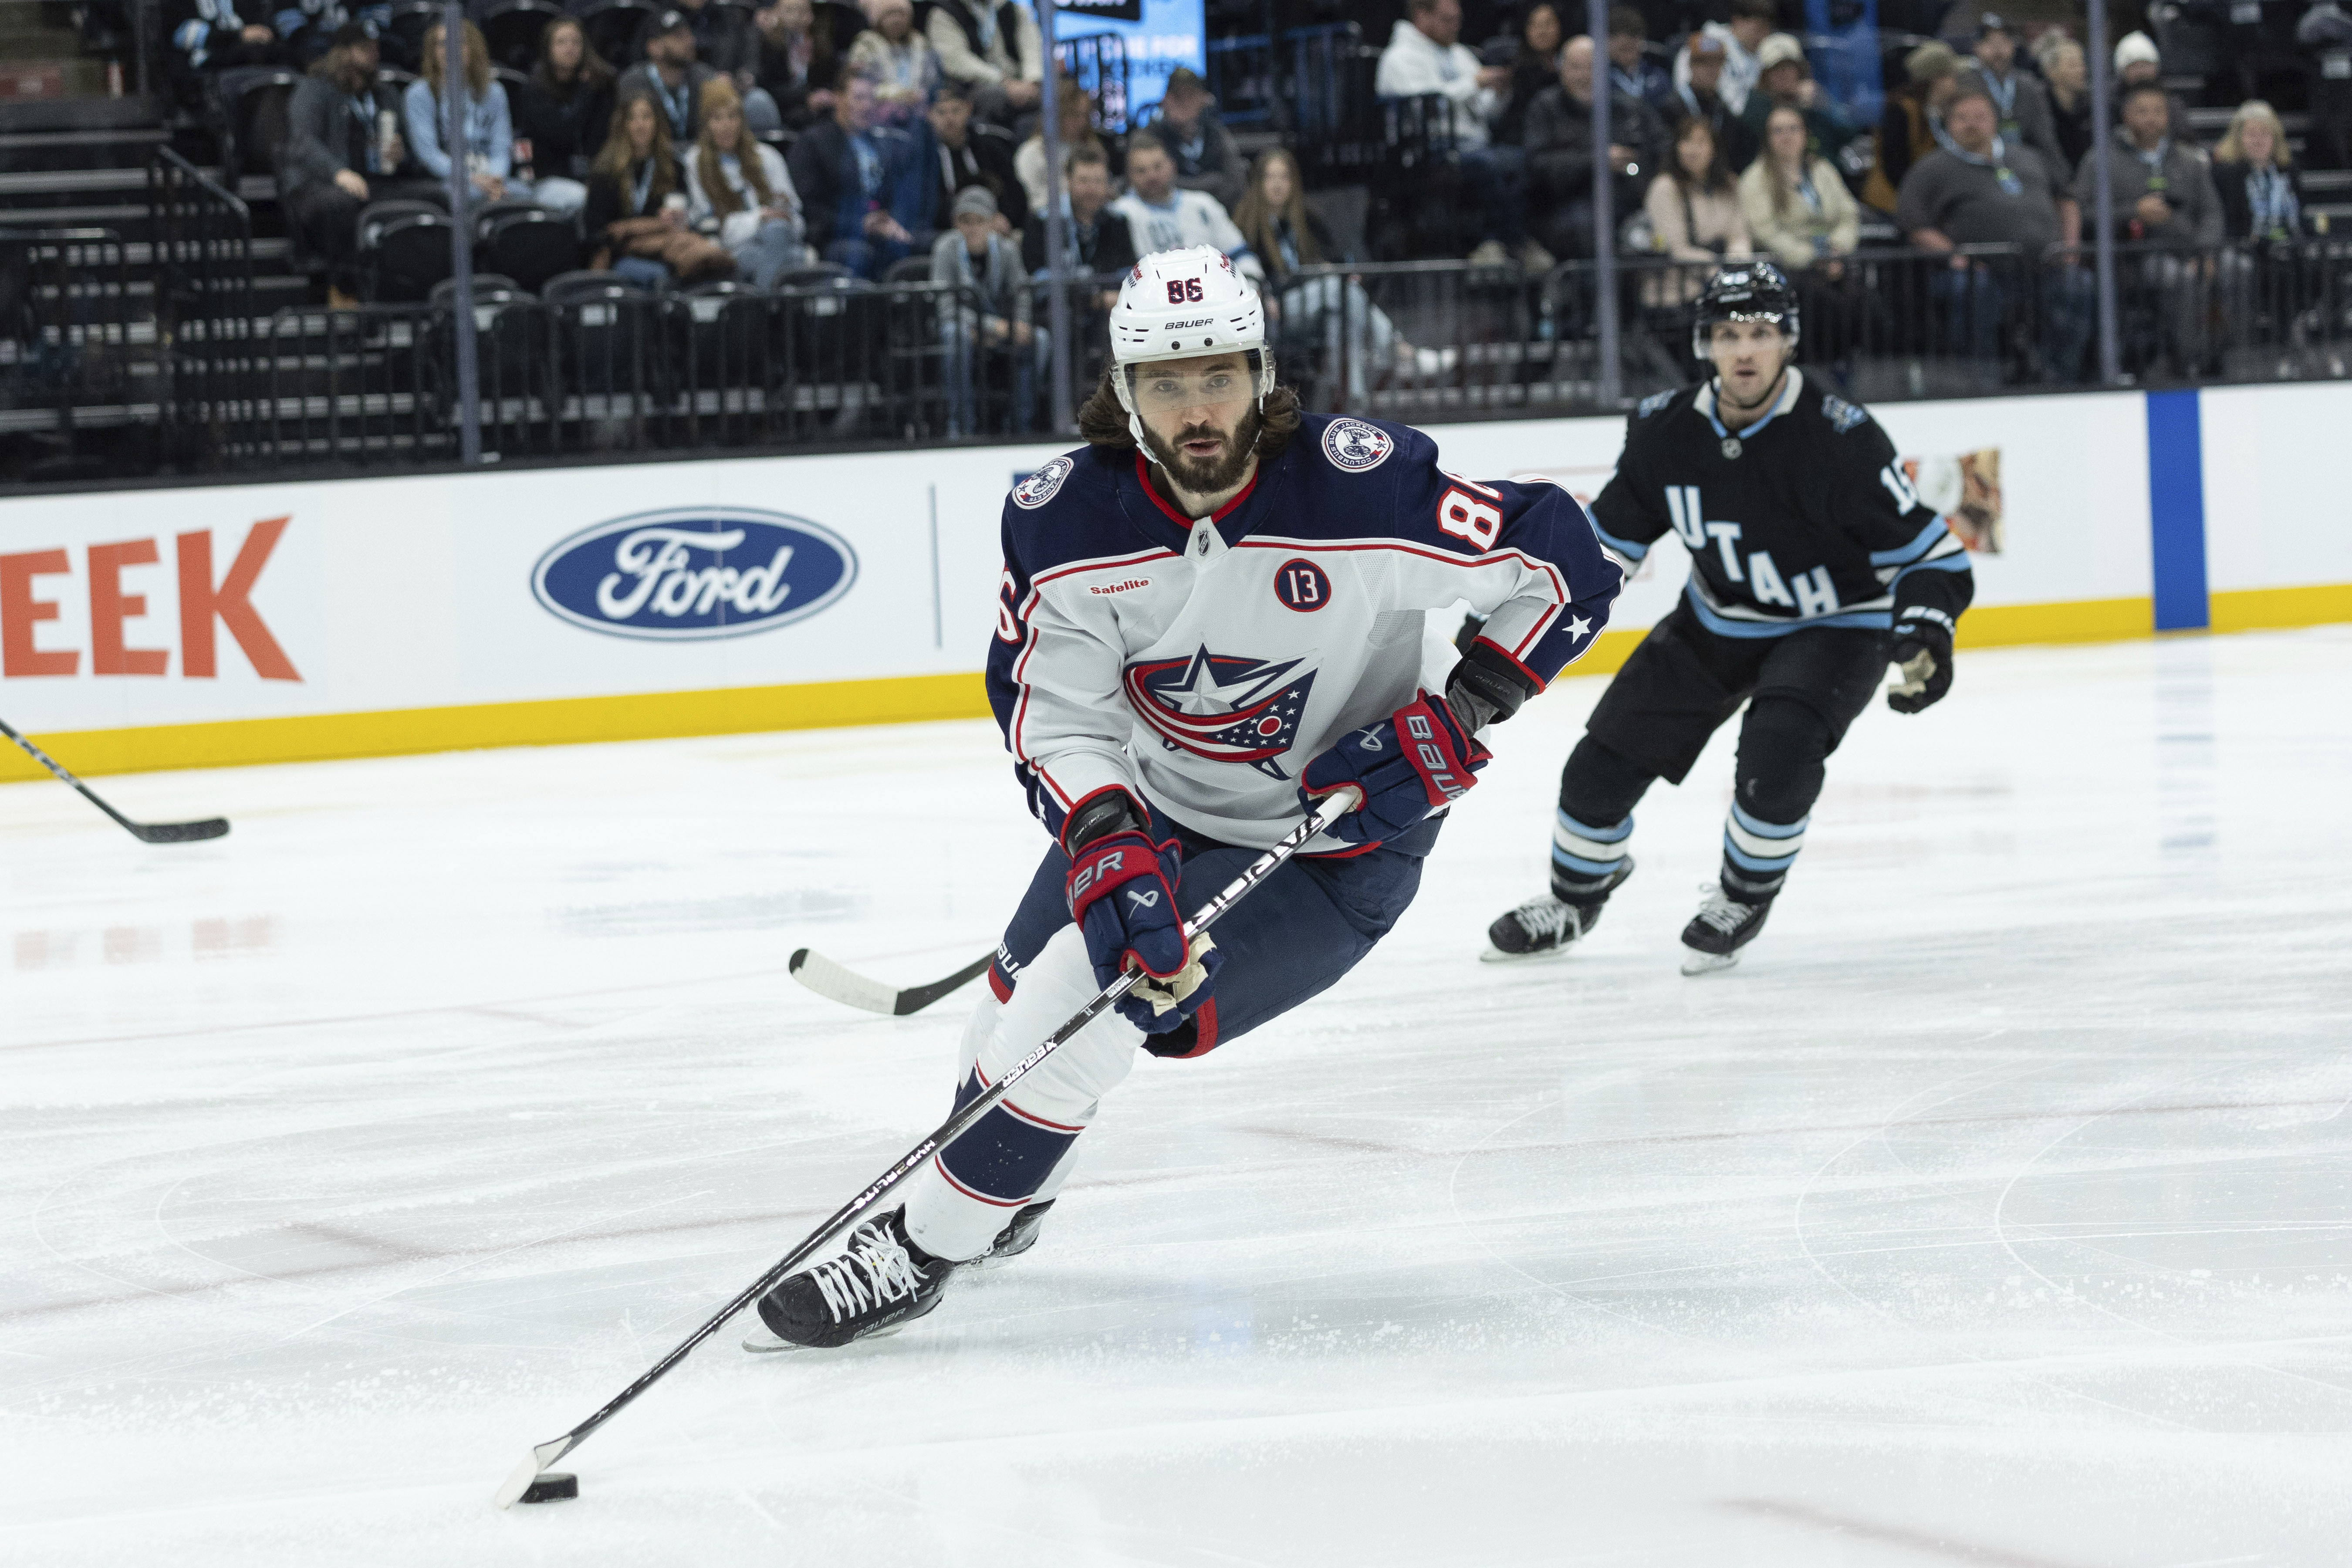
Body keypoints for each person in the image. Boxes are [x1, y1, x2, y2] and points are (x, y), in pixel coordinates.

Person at [740, 243, 1622, 1352]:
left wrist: (1468, 703)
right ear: (1122, 392)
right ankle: (1001, 1194)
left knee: (1088, 988)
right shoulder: (1063, 520)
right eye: (1165, 383)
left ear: (1262, 373)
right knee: (1008, 1006)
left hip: (1329, 850)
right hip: (1155, 808)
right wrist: (1105, 827)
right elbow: (1050, 710)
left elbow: (1567, 560)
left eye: (1218, 376)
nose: (1196, 408)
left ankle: (921, 1251)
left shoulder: (1367, 486)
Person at [1485, 263, 1972, 974]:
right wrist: (1509, 621)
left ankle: (1743, 894)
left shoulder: (1842, 438)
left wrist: (1927, 625)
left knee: (1777, 750)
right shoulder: (1663, 431)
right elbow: (1602, 552)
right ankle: (1574, 897)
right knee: (1598, 767)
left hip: (1838, 626)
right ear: (1704, 345)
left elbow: (1938, 559)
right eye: (1728, 334)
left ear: (1790, 342)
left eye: (1763, 333)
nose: (1745, 351)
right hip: (1715, 622)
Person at [1896, 84, 2092, 383]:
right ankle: (1981, 380)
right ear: (1949, 124)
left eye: (1980, 116)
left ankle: (2062, 377)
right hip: (1979, 271)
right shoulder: (1932, 169)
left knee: (2078, 285)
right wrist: (1955, 256)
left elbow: (2066, 200)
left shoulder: (2028, 157)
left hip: (2044, 266)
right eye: (1962, 118)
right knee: (1971, 291)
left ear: (1994, 120)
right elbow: (1914, 223)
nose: (1972, 124)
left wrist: (2070, 245)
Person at [1232, 146, 1454, 403]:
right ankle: (1400, 352)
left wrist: (1332, 271)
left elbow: (1337, 259)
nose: (1278, 185)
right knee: (1338, 290)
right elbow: (1256, 276)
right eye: (1270, 177)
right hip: (1275, 312)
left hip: (1317, 305)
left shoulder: (1306, 219)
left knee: (1340, 314)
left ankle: (1354, 399)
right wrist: (1318, 276)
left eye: (1285, 177)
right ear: (1258, 182)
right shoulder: (1246, 224)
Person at [1375, 0, 1544, 273]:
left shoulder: (1460, 54)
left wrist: (1499, 93)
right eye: (1447, 19)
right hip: (1429, 151)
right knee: (1488, 165)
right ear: (1421, 16)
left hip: (1477, 142)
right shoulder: (1398, 58)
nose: (1455, 26)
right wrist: (1474, 84)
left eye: (1458, 20)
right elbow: (1426, 104)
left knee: (1524, 160)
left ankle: (1500, 240)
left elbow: (1484, 110)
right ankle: (1507, 242)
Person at [2079, 79, 2224, 375]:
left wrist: (2204, 251)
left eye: (2159, 111)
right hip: (2134, 258)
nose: (2152, 119)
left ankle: (2231, 358)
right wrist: (2134, 212)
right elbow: (2084, 212)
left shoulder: (2189, 160)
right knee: (2176, 278)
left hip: (2190, 251)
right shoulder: (2101, 161)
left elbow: (2212, 212)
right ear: (2127, 116)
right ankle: (2186, 365)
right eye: (2143, 112)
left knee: (2237, 268)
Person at [277, 21, 413, 306]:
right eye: (365, 49)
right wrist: (338, 173)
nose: (374, 55)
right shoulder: (313, 89)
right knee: (343, 206)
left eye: (376, 49)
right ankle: (346, 293)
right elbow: (303, 142)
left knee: (429, 199)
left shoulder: (386, 95)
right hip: (318, 184)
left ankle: (411, 292)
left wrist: (402, 156)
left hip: (376, 181)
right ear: (343, 53)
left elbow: (408, 152)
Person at [407, 20, 586, 218]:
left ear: (473, 49)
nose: (452, 49)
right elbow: (429, 155)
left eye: (461, 42)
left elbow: (502, 148)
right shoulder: (420, 94)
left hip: (496, 182)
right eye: (443, 43)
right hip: (446, 185)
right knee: (468, 197)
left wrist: (494, 180)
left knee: (575, 197)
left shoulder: (494, 92)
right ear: (432, 52)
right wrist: (473, 179)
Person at [1740, 101, 1865, 370]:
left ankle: (1851, 367)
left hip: (1834, 258)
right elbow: (1766, 230)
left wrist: (1837, 248)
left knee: (1866, 301)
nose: (1787, 136)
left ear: (1805, 134)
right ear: (1768, 138)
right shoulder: (1756, 178)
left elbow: (1849, 213)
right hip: (1790, 267)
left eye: (1793, 129)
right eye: (1778, 130)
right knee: (1824, 304)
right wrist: (1813, 258)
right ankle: (1821, 369)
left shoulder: (1822, 170)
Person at [1526, 34, 1665, 261]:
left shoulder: (1630, 108)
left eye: (1592, 67)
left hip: (1628, 202)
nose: (1585, 76)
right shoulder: (1546, 107)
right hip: (1568, 206)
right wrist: (1596, 160)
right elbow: (1537, 167)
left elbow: (1661, 150)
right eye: (1576, 68)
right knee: (1589, 226)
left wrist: (1636, 165)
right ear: (1561, 70)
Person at [584, 92, 737, 285]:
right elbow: (597, 231)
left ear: (657, 122)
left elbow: (684, 217)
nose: (641, 125)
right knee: (661, 276)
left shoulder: (674, 167)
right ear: (622, 124)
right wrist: (653, 224)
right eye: (633, 118)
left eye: (647, 117)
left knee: (708, 267)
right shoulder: (605, 172)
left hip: (668, 247)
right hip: (623, 254)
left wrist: (678, 220)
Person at [788, 69, 923, 278]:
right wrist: (861, 223)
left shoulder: (880, 144)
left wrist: (891, 221)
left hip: (881, 233)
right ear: (838, 99)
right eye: (859, 98)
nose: (867, 106)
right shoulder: (813, 143)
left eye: (871, 99)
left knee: (924, 244)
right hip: (835, 236)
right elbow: (811, 208)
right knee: (864, 255)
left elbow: (894, 195)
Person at [932, 186, 1045, 434]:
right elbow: (946, 308)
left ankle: (1020, 425)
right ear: (955, 223)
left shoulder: (1007, 250)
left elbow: (1023, 293)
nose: (973, 228)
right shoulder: (945, 249)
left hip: (1001, 330)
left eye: (979, 221)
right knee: (955, 335)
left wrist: (1020, 325)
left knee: (1039, 339)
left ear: (992, 223)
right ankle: (961, 427)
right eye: (965, 221)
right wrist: (992, 326)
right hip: (966, 329)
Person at [687, 78, 805, 288]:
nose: (726, 126)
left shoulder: (768, 156)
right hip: (730, 245)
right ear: (706, 124)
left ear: (742, 120)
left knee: (779, 235)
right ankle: (769, 307)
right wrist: (760, 217)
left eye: (733, 117)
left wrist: (782, 210)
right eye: (717, 119)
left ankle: (758, 307)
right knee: (793, 259)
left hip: (778, 237)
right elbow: (706, 221)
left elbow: (795, 216)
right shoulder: (696, 161)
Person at [1112, 132, 1266, 287]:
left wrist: (1252, 288)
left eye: (1157, 167)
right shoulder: (1120, 214)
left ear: (1172, 166)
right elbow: (1124, 279)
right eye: (1141, 171)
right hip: (1154, 302)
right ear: (1129, 176)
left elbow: (1241, 256)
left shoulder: (1204, 204)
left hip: (1213, 298)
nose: (1152, 176)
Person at [1641, 115, 1750, 310]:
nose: (1693, 149)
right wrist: (1720, 271)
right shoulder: (1664, 188)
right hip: (1677, 293)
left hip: (1721, 286)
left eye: (1701, 142)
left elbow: (1739, 235)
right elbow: (1677, 250)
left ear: (1714, 150)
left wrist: (1737, 266)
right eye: (1686, 141)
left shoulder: (1730, 184)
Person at [1958, 14, 2066, 191]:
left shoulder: (2029, 85)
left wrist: (2060, 180)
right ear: (1976, 47)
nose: (1997, 50)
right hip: (1978, 168)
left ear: (2013, 46)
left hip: (2025, 168)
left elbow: (2046, 139)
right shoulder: (1966, 83)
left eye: (2003, 42)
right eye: (1990, 43)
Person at [1733, 33, 1858, 177]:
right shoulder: (1757, 108)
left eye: (1789, 67)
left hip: (1822, 179)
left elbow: (1850, 134)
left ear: (1801, 70)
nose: (1783, 74)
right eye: (1776, 69)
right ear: (1765, 76)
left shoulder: (1815, 101)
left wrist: (1826, 105)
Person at [515, 16, 617, 184]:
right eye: (561, 42)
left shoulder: (597, 86)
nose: (570, 48)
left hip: (591, 174)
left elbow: (603, 136)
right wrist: (586, 94)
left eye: (576, 42)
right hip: (544, 177)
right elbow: (563, 134)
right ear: (548, 49)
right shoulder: (534, 90)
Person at [919, 81, 1027, 240]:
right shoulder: (922, 158)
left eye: (956, 111)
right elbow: (925, 207)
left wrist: (1002, 218)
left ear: (969, 110)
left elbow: (1014, 195)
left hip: (994, 229)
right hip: (946, 233)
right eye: (941, 113)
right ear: (929, 115)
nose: (950, 119)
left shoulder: (992, 149)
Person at [1862, 41, 1959, 214]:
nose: (1955, 83)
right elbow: (1895, 168)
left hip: (1926, 201)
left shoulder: (1940, 111)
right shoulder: (1900, 110)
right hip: (1892, 204)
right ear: (1937, 80)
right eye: (1952, 77)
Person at [1020, 143, 1136, 286]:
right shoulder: (1043, 222)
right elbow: (1039, 281)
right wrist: (1094, 299)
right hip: (1059, 307)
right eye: (1083, 181)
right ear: (1069, 180)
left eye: (1098, 181)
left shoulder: (1118, 221)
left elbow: (1128, 276)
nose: (1091, 189)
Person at [1149, 68, 1246, 216]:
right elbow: (1152, 185)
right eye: (1178, 96)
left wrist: (1177, 185)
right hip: (1163, 218)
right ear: (1166, 100)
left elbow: (1236, 185)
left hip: (1216, 219)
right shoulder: (1151, 137)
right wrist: (1214, 182)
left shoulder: (1217, 133)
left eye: (1191, 96)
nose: (1184, 103)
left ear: (1203, 99)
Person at [926, 0, 1043, 124]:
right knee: (996, 96)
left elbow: (1033, 48)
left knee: (1057, 93)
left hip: (1022, 83)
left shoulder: (1013, 9)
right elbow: (955, 60)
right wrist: (1002, 81)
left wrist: (1031, 81)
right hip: (973, 87)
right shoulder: (944, 12)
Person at [164, 0, 286, 108]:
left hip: (253, 63)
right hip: (208, 70)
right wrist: (239, 35)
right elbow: (184, 36)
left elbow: (264, 28)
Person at [2212, 99, 2302, 243]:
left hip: (2290, 248)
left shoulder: (2288, 169)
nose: (2258, 141)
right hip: (2244, 252)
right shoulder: (2226, 174)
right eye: (2251, 134)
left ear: (2275, 138)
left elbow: (2301, 215)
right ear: (2238, 138)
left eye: (2265, 134)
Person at [1014, 78, 1104, 216]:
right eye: (1074, 115)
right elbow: (1031, 202)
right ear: (1057, 114)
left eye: (1085, 115)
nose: (1081, 122)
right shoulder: (1032, 152)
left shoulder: (1092, 149)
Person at [748, 0, 838, 131]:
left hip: (818, 108)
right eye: (790, 11)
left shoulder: (821, 45)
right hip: (784, 108)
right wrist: (806, 97)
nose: (796, 17)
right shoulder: (769, 44)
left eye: (802, 11)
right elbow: (767, 86)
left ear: (811, 15)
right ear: (777, 12)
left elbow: (830, 80)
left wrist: (824, 97)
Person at [844, 0, 937, 126]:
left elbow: (932, 80)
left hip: (919, 113)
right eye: (890, 14)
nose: (897, 20)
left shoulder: (922, 45)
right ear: (878, 19)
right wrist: (899, 96)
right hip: (878, 115)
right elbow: (861, 86)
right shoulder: (866, 46)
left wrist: (921, 95)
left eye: (901, 14)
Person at [1671, 0, 1772, 115]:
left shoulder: (1764, 53)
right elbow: (1684, 86)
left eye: (1766, 30)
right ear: (1738, 21)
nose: (1762, 36)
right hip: (1701, 113)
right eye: (1757, 30)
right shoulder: (1709, 41)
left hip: (1734, 119)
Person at [1496, 1, 1565, 149]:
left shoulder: (1571, 63)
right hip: (1528, 138)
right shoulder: (1518, 69)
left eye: (1548, 24)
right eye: (1534, 25)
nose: (1542, 31)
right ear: (1526, 30)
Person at [2110, 31, 2194, 148]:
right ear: (2122, 72)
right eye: (2134, 66)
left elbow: (2186, 141)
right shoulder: (2110, 105)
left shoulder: (2172, 104)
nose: (2141, 72)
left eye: (2146, 65)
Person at [1605, 5, 1675, 121]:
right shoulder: (1599, 78)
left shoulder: (1658, 76)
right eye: (1619, 34)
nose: (1630, 41)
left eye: (1635, 34)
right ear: (1607, 41)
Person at [2038, 36, 2094, 174]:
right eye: (2073, 65)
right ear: (2051, 71)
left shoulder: (2093, 106)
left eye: (2082, 64)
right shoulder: (2040, 108)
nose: (2081, 70)